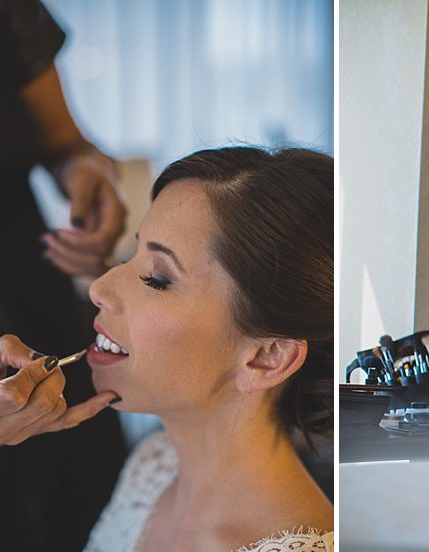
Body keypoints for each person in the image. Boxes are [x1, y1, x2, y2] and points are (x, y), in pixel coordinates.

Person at [82, 147, 333, 551]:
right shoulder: (153, 466)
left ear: (266, 357)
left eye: (157, 279)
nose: (99, 288)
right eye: (132, 254)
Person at [0, 1, 129, 548]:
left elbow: (66, 144)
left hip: (38, 295)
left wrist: (85, 170)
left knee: (87, 488)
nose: (105, 291)